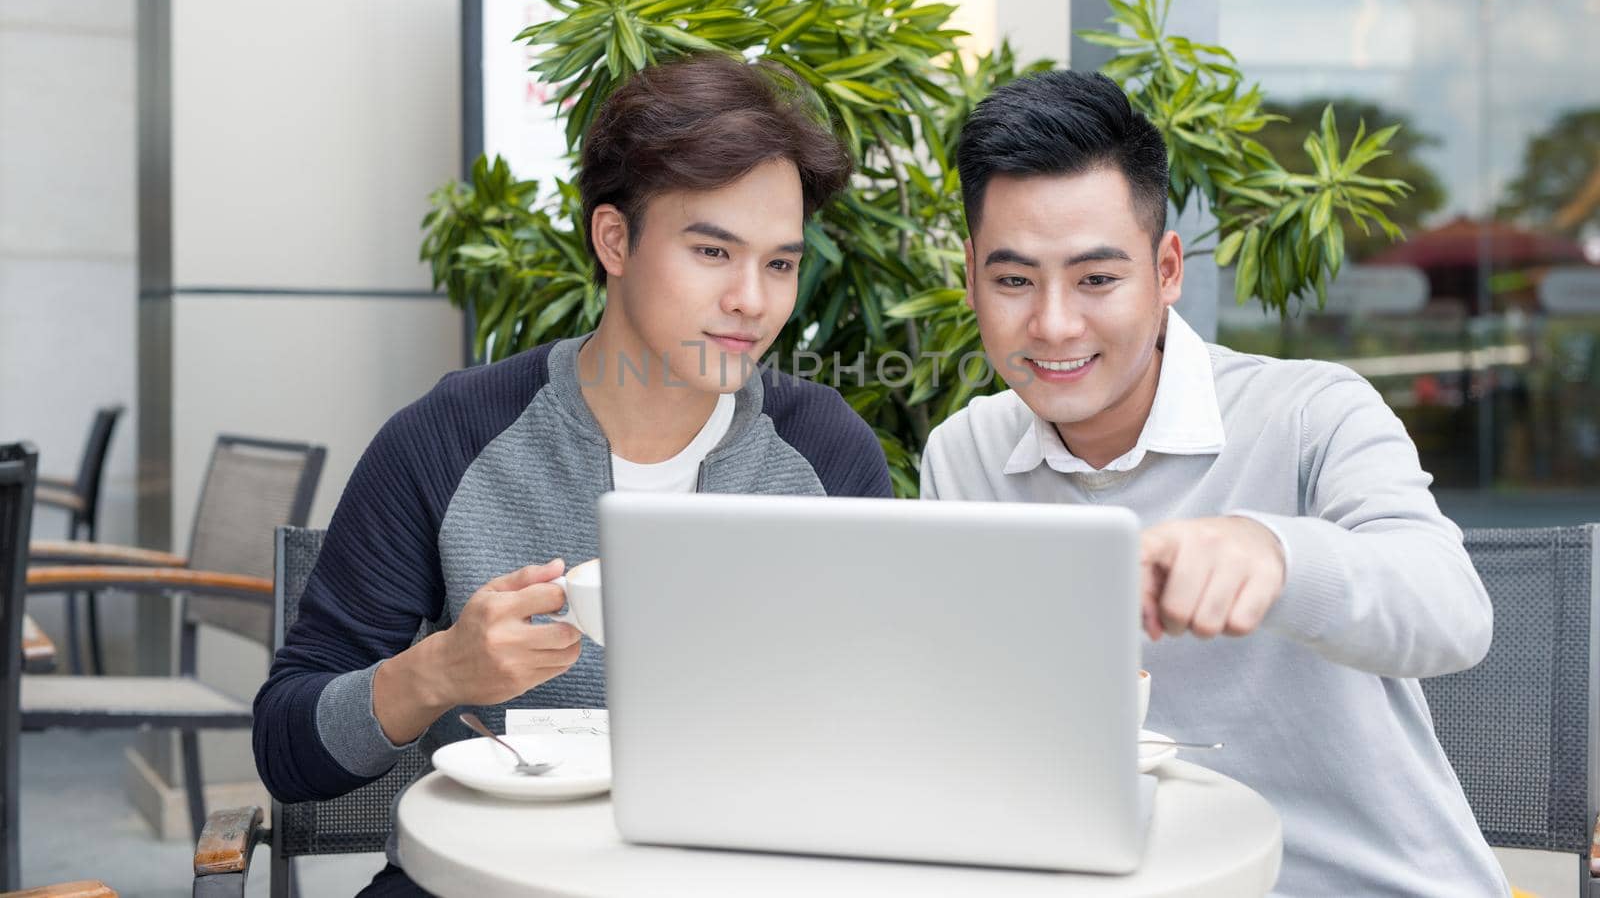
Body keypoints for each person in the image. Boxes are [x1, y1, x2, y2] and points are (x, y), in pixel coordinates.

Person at [254, 54, 891, 896]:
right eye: (712, 250)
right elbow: (288, 748)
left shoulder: (826, 452)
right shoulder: (450, 437)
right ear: (614, 239)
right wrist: (439, 673)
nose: (754, 299)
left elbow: (888, 725)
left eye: (780, 263)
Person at [919, 69, 1507, 896]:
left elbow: (1453, 613)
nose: (1052, 324)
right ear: (972, 271)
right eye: (1014, 280)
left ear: (1166, 271)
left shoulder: (1310, 413)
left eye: (1097, 280)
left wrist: (1275, 555)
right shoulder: (966, 455)